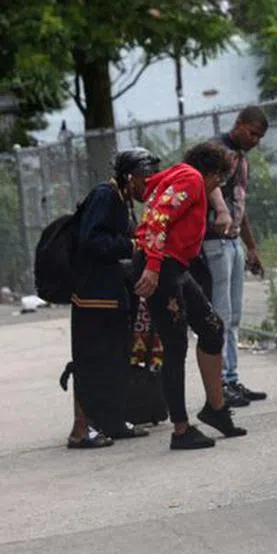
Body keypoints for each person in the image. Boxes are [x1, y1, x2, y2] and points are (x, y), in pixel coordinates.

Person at [134, 142, 247, 450]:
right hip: (162, 266)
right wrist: (154, 268)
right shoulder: (191, 179)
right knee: (175, 346)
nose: (217, 188)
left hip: (175, 266)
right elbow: (158, 217)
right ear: (211, 173)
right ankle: (181, 430)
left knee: (212, 328)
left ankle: (216, 409)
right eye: (219, 181)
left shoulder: (185, 177)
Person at [65, 148, 160, 449]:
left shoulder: (122, 200)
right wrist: (130, 244)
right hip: (93, 298)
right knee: (92, 362)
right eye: (146, 178)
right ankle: (81, 429)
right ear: (130, 177)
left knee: (116, 360)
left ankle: (113, 421)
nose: (150, 185)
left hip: (113, 295)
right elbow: (90, 240)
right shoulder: (105, 196)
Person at [204, 106, 269, 409]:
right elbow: (212, 186)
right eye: (252, 133)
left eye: (259, 137)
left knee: (234, 316)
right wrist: (222, 211)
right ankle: (222, 384)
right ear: (239, 125)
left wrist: (251, 247)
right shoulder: (218, 150)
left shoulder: (242, 159)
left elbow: (240, 205)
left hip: (232, 242)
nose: (255, 140)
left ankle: (232, 378)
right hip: (215, 240)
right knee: (221, 315)